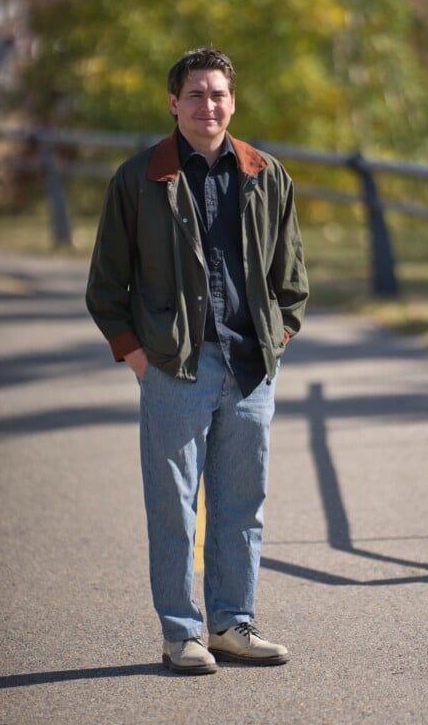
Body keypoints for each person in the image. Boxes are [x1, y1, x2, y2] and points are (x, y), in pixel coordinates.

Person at [86, 47, 308, 675]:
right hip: (173, 369)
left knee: (242, 502)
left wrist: (276, 337)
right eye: (195, 95)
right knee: (173, 504)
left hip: (249, 367)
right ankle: (182, 632)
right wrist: (137, 357)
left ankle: (234, 624)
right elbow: (105, 286)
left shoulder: (267, 175)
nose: (207, 105)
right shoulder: (139, 178)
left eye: (217, 94)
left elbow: (291, 279)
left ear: (232, 102)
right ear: (173, 103)